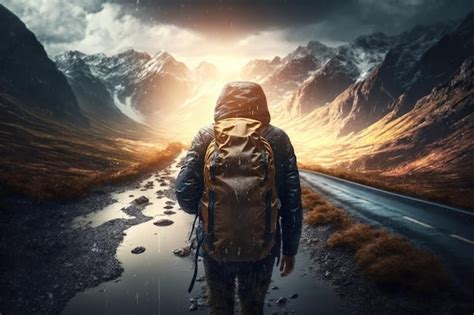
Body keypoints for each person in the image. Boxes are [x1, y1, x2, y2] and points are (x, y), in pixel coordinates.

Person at [176, 81, 302, 315]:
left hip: (215, 244)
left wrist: (212, 211)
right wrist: (290, 250)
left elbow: (183, 192)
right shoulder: (278, 138)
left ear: (222, 104)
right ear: (261, 103)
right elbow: (292, 200)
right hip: (262, 245)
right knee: (253, 307)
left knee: (220, 307)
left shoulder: (206, 135)